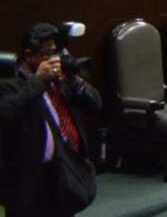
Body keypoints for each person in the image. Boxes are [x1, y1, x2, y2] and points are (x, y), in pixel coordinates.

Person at [0, 23, 102, 217]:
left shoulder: (59, 81)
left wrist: (74, 82)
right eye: (48, 53)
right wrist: (38, 80)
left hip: (63, 168)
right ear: (30, 55)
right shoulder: (9, 83)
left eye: (56, 52)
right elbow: (6, 112)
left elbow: (95, 104)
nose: (54, 59)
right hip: (28, 178)